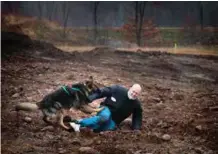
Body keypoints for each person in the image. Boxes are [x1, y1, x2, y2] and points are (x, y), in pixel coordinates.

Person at [69, 83, 143, 132]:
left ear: (138, 94)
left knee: (104, 128)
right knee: (105, 117)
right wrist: (89, 98)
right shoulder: (118, 89)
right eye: (133, 91)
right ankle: (78, 123)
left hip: (115, 120)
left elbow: (137, 116)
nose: (134, 94)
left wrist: (136, 128)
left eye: (136, 93)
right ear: (130, 88)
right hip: (106, 109)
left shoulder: (136, 104)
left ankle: (82, 127)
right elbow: (102, 92)